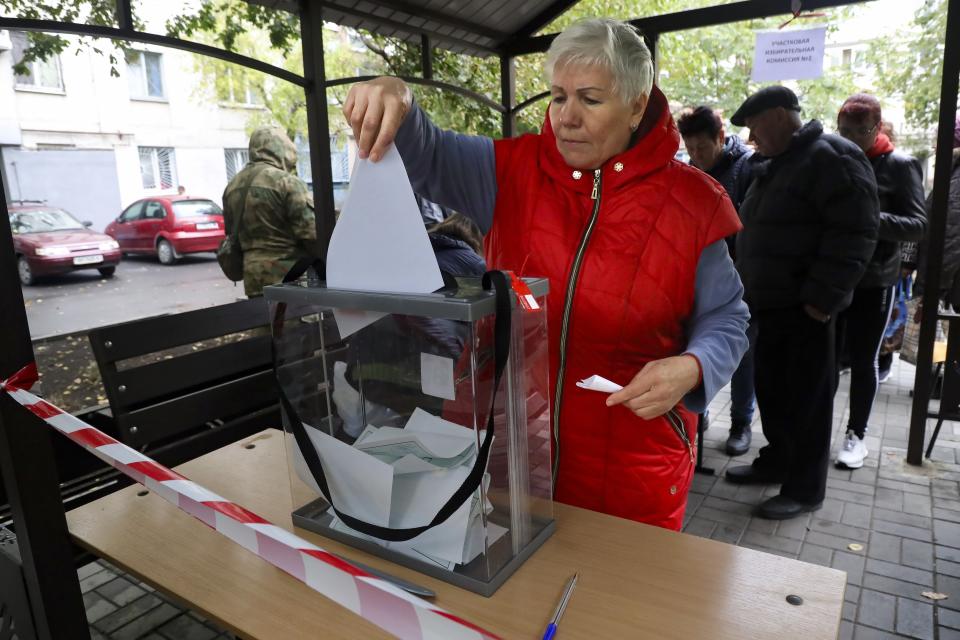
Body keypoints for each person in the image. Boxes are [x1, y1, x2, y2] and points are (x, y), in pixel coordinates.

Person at [343, 18, 749, 531]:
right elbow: (427, 149)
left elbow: (727, 317)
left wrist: (693, 366)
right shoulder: (509, 170)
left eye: (590, 99)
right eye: (558, 97)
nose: (566, 118)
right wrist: (394, 95)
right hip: (506, 452)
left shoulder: (693, 201)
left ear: (637, 106)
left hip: (632, 469)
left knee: (616, 605)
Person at [725, 86, 880, 519]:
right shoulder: (778, 163)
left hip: (805, 309)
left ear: (778, 116)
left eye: (755, 126)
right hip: (771, 306)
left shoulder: (834, 156)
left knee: (808, 401)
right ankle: (777, 462)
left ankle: (805, 487)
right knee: (773, 391)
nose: (751, 138)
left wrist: (822, 298)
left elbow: (857, 231)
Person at [833, 94, 926, 469]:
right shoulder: (835, 159)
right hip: (834, 277)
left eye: (860, 131)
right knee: (825, 360)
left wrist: (871, 218)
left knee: (864, 360)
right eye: (844, 131)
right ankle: (815, 430)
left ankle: (857, 434)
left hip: (875, 279)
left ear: (877, 128)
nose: (851, 138)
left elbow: (918, 225)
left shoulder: (900, 166)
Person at [678, 105, 758, 456]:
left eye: (702, 148)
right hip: (696, 279)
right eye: (690, 149)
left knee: (740, 356)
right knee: (696, 351)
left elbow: (753, 230)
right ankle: (702, 411)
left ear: (721, 139)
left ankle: (741, 422)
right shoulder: (686, 173)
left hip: (741, 281)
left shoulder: (748, 169)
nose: (696, 156)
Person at [221, 126, 317, 297]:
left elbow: (231, 234)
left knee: (261, 321)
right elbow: (311, 234)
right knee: (293, 323)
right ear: (281, 149)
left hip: (254, 281)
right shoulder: (286, 182)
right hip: (290, 279)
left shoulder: (232, 187)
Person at [916, 117, 960, 310]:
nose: (934, 146)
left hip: (942, 284)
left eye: (939, 140)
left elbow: (951, 236)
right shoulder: (949, 172)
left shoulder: (953, 178)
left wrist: (933, 288)